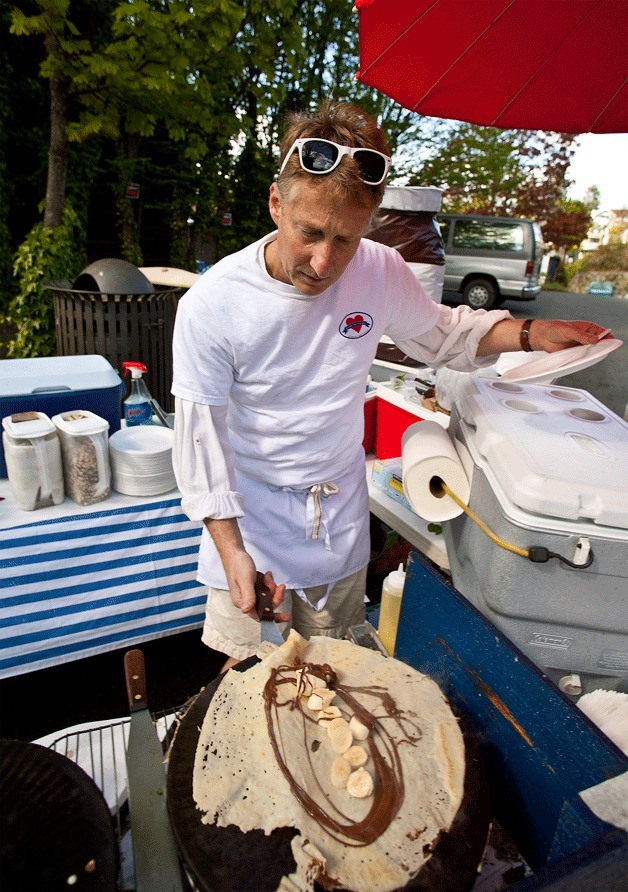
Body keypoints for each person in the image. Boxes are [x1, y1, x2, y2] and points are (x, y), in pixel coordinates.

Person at [171, 100, 609, 670]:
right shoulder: (213, 304)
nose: (325, 261)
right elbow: (200, 443)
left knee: (332, 672)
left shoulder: (378, 270)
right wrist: (232, 550)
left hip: (337, 522)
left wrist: (532, 331)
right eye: (310, 233)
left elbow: (444, 334)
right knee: (248, 682)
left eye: (346, 241)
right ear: (277, 202)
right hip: (249, 523)